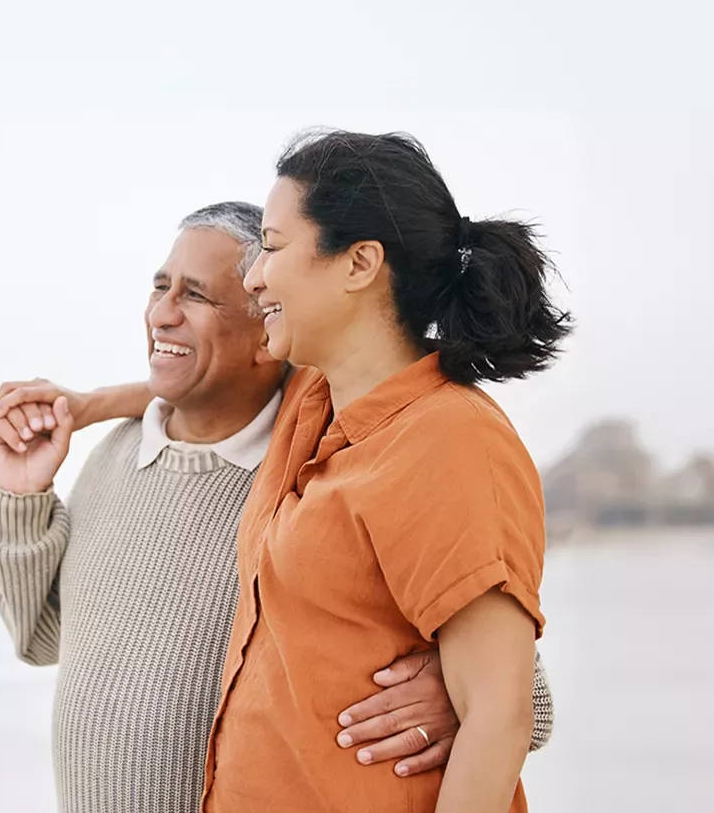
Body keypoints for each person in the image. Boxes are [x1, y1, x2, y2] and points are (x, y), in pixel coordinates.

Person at [0, 201, 556, 813]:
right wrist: (21, 495)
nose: (162, 312)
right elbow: (42, 639)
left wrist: (452, 694)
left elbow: (520, 694)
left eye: (196, 295)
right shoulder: (112, 458)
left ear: (269, 333)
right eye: (160, 287)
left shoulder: (313, 473)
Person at [201, 131, 572, 813]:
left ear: (360, 262)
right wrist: (84, 407)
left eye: (273, 247)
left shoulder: (450, 438)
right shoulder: (314, 402)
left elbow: (498, 716)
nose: (254, 277)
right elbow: (204, 377)